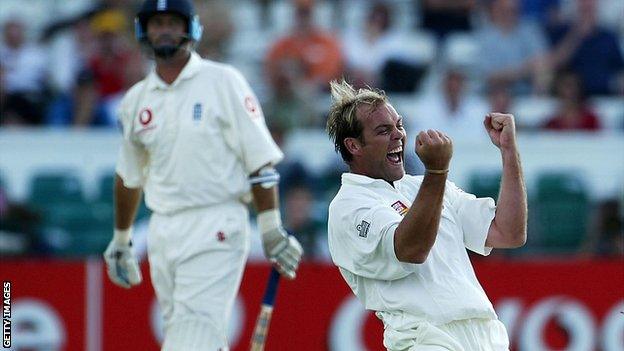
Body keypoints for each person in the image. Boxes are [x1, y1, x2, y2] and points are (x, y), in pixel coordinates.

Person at [102, 1, 303, 350]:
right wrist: (121, 240)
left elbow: (260, 160)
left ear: (191, 29)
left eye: (173, 22)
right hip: (164, 229)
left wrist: (270, 226)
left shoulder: (223, 81)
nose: (164, 29)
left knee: (191, 338)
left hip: (217, 222)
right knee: (194, 335)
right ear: (143, 32)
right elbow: (129, 176)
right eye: (156, 23)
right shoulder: (135, 101)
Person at [326, 80, 527, 350]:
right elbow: (411, 250)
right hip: (425, 338)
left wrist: (508, 150)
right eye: (383, 130)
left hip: (485, 335)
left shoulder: (421, 186)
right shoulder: (348, 206)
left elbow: (509, 232)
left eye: (399, 125)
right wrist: (436, 172)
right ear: (354, 146)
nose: (398, 135)